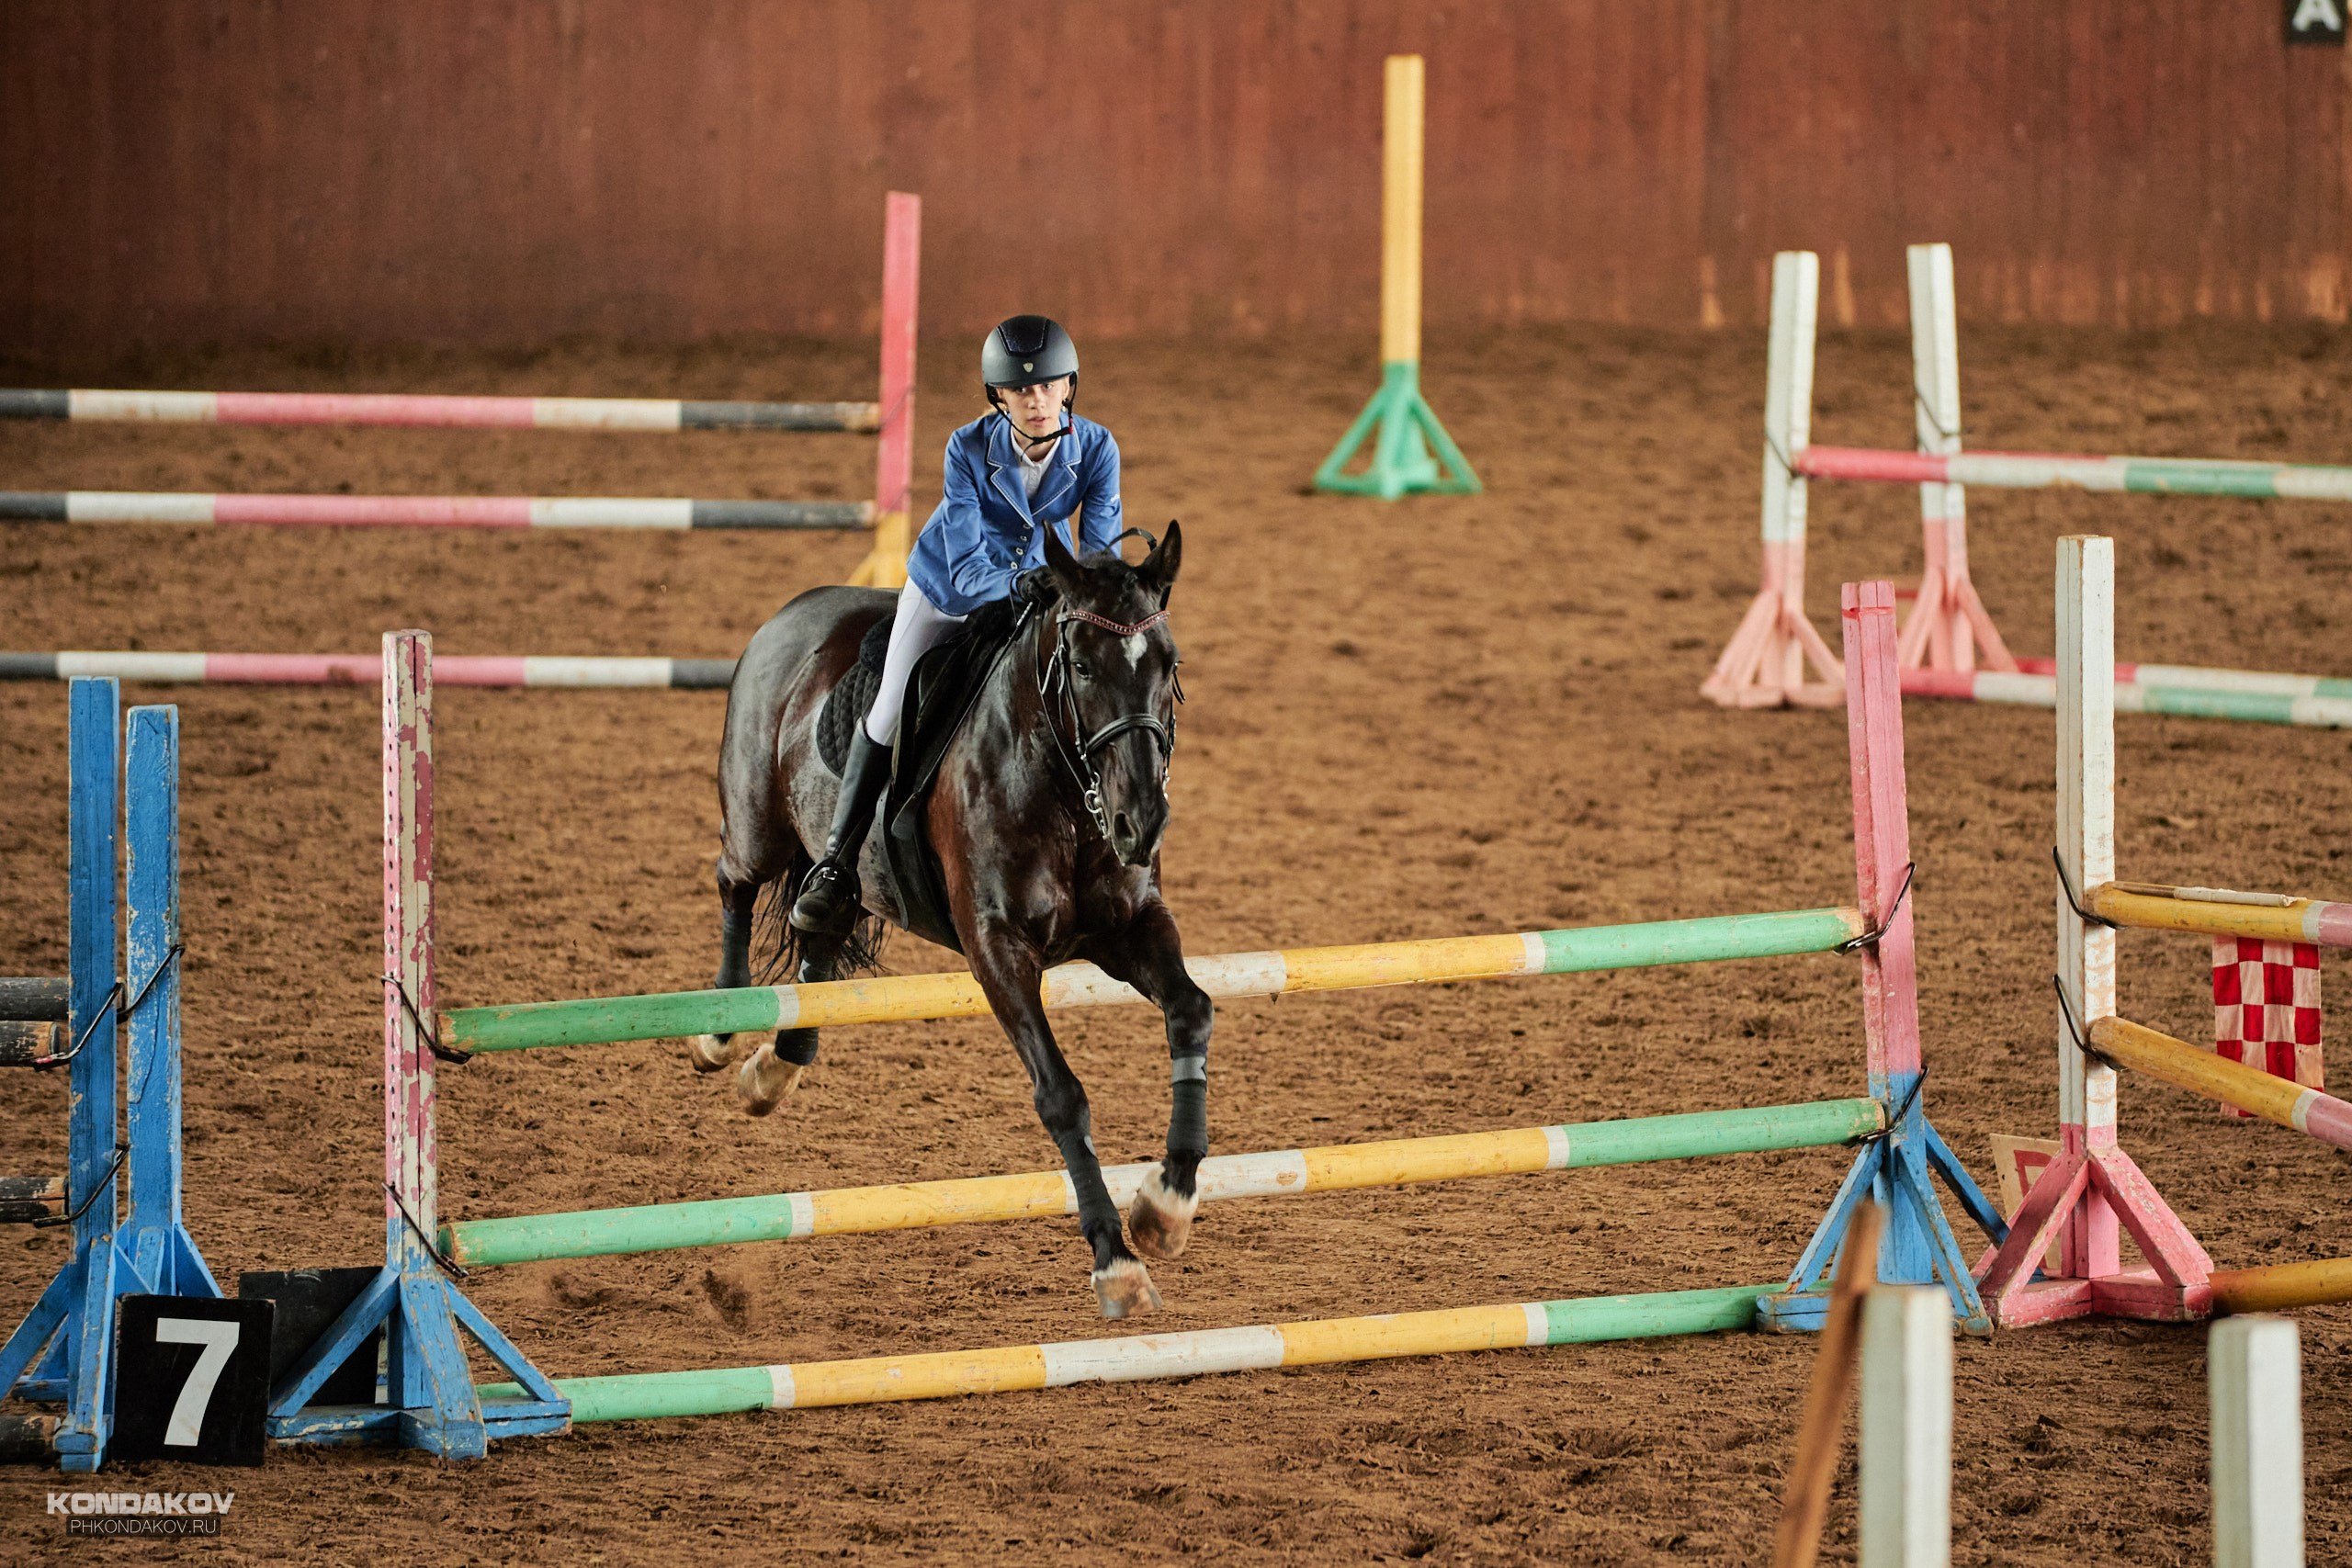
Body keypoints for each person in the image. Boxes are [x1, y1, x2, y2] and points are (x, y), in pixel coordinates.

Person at [789, 314, 1125, 933]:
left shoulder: (1098, 449)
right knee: (891, 703)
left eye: (1049, 387)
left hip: (1035, 594)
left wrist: (1096, 603)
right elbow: (969, 565)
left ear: (1069, 387)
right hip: (947, 590)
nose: (1037, 400)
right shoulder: (966, 448)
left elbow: (1099, 554)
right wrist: (1021, 582)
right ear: (999, 396)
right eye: (1022, 391)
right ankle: (835, 866)